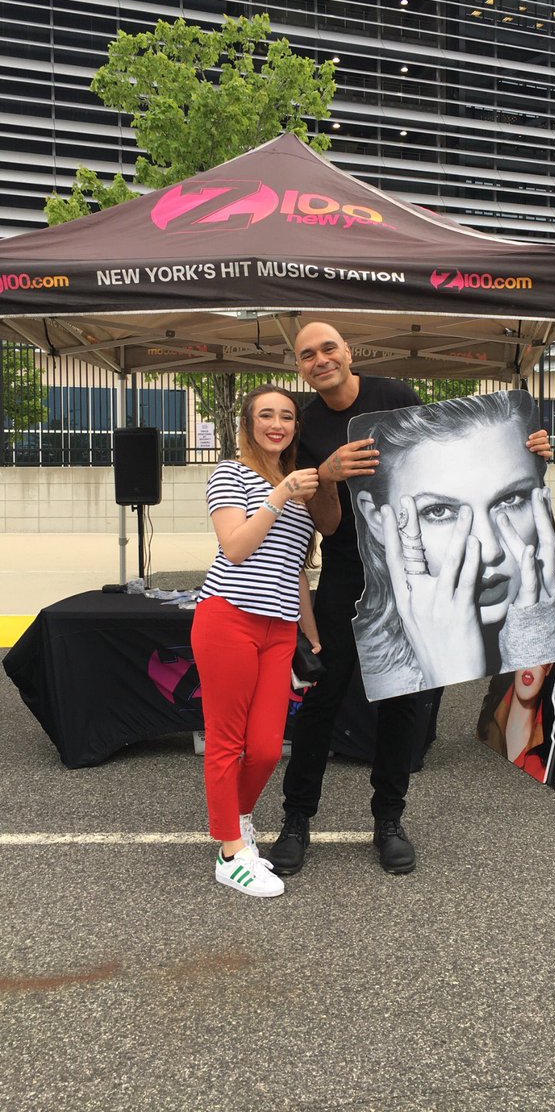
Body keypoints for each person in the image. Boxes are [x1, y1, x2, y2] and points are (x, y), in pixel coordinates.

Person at [267, 325, 553, 877]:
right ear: (299, 367)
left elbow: (452, 460)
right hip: (349, 572)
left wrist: (528, 451)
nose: (320, 360)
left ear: (349, 351)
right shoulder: (305, 425)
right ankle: (296, 820)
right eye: (308, 355)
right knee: (321, 703)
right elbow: (326, 524)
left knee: (403, 700)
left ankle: (389, 819)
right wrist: (326, 478)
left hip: (413, 568)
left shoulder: (393, 398)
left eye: (328, 349)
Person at [348, 390, 555, 700]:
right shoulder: (378, 675)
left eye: (510, 499)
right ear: (378, 520)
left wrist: (535, 635)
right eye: (438, 511)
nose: (490, 550)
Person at [191, 384, 320, 898]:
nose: (277, 423)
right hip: (228, 618)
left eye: (286, 416)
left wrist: (311, 637)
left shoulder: (298, 490)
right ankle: (230, 851)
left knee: (266, 748)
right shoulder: (230, 473)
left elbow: (296, 571)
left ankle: (236, 820)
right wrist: (280, 494)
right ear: (248, 422)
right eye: (265, 414)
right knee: (226, 740)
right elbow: (237, 547)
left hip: (280, 628)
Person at [477, 655, 555, 790]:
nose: (530, 665)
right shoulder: (489, 724)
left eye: (541, 657)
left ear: (549, 668)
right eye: (526, 653)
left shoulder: (546, 755)